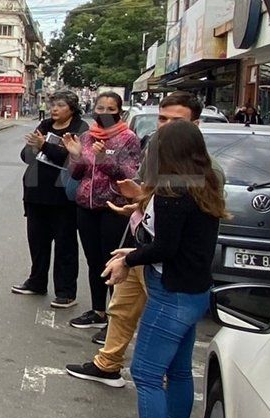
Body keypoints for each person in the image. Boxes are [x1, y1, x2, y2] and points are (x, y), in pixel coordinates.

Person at [96, 120, 226, 418]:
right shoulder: (204, 184)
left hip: (172, 295)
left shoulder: (173, 192)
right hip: (194, 291)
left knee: (147, 374)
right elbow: (172, 242)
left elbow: (166, 247)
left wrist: (128, 260)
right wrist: (137, 251)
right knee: (178, 371)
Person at [65, 91, 209, 388]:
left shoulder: (196, 163)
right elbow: (148, 190)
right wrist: (141, 202)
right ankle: (107, 360)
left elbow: (176, 213)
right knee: (119, 297)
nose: (166, 125)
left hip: (163, 260)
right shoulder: (154, 148)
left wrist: (107, 162)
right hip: (138, 233)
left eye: (176, 120)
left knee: (156, 364)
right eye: (162, 118)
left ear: (195, 123)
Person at [64, 92, 141, 331]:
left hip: (113, 208)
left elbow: (129, 175)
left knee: (113, 264)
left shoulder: (128, 139)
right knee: (94, 261)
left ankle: (115, 318)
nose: (105, 113)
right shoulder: (87, 136)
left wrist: (103, 159)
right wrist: (76, 156)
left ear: (119, 111)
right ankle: (98, 310)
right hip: (86, 207)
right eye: (101, 108)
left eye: (111, 109)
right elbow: (77, 174)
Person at [12, 90, 89, 307]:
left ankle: (66, 291)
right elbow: (26, 156)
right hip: (36, 194)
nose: (54, 109)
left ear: (72, 108)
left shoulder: (80, 129)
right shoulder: (45, 125)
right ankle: (37, 282)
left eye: (60, 105)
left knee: (65, 245)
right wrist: (35, 146)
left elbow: (72, 159)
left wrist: (44, 146)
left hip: (63, 197)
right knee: (37, 242)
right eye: (53, 104)